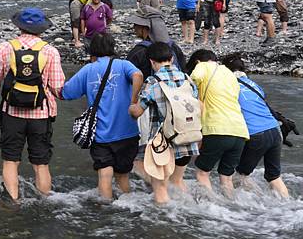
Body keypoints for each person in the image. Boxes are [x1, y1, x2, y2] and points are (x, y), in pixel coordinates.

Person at [0, 8, 65, 202]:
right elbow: (58, 88)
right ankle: (45, 203)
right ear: (41, 29)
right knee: (41, 164)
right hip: (41, 115)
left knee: (10, 161)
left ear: (19, 27)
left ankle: (14, 203)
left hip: (12, 114)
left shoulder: (4, 48)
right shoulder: (50, 51)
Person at [59, 33, 143, 200]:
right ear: (113, 47)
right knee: (123, 175)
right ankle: (127, 207)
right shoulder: (124, 65)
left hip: (101, 134)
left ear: (92, 49)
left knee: (104, 174)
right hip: (128, 132)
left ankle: (105, 211)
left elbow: (65, 93)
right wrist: (133, 101)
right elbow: (138, 76)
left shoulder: (88, 70)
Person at [129, 43, 201, 203]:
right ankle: (191, 207)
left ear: (151, 62)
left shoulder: (153, 81)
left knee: (160, 188)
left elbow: (138, 112)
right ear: (172, 58)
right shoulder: (187, 79)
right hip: (187, 138)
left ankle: (164, 220)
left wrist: (132, 103)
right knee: (178, 182)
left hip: (163, 142)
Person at [221, 54, 289, 198]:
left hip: (256, 134)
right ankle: (288, 204)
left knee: (240, 175)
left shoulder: (227, 85)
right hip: (275, 131)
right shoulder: (254, 85)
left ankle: (257, 202)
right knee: (274, 176)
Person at [187, 49, 249, 198]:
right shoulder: (229, 73)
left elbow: (194, 77)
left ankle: (211, 208)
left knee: (203, 173)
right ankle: (231, 207)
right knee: (226, 178)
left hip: (217, 129)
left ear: (197, 62)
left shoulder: (203, 65)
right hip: (240, 132)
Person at [126, 10, 186, 79]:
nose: (134, 28)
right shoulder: (174, 47)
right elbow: (183, 69)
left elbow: (126, 74)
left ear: (146, 28)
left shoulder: (139, 51)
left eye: (136, 25)